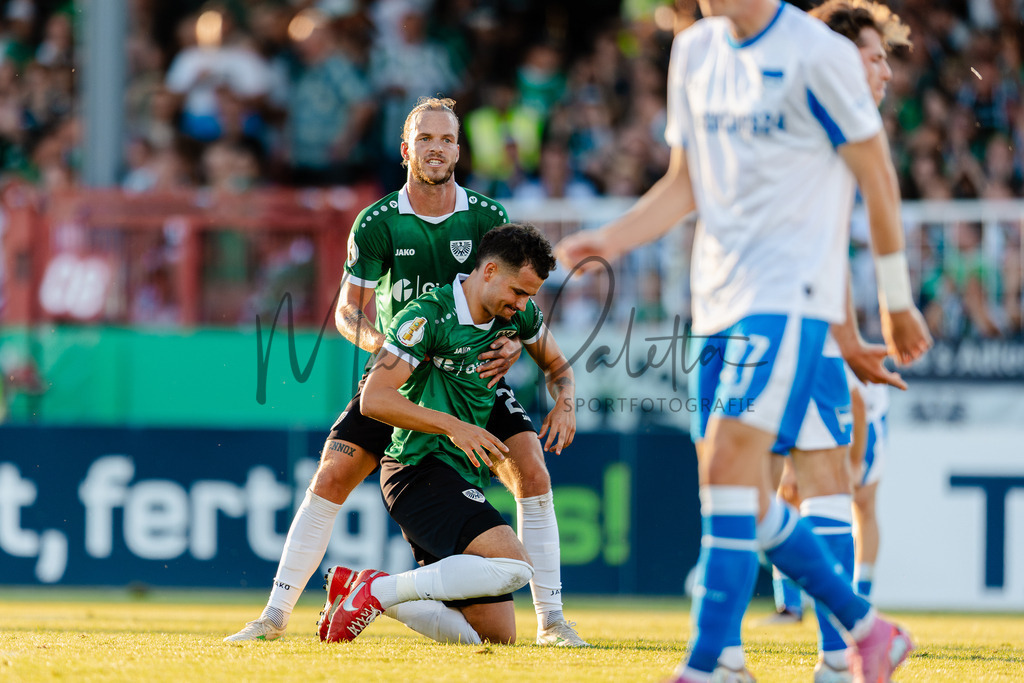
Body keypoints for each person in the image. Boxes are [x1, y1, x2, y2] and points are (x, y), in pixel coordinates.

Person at [555, 0, 932, 680]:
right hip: (715, 302)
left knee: (749, 467)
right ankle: (865, 630)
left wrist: (895, 299)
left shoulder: (816, 53)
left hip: (789, 297)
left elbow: (877, 174)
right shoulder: (695, 50)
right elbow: (686, 183)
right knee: (736, 491)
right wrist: (612, 238)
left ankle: (708, 664)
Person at [226, 97, 588, 647]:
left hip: (472, 376)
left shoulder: (487, 217)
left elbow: (513, 295)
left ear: (459, 151)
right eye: (425, 139)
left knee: (532, 470)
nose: (436, 148)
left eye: (446, 139)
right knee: (332, 474)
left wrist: (515, 342)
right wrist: (391, 348)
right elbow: (347, 312)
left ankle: (552, 622)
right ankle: (273, 617)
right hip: (403, 376)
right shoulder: (378, 222)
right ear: (406, 150)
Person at [751, 3, 913, 681]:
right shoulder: (811, 118)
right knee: (749, 492)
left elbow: (830, 244)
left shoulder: (826, 121)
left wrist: (849, 332)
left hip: (793, 322)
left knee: (801, 488)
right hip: (757, 317)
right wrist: (884, 308)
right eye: (875, 57)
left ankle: (830, 654)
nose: (885, 72)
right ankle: (852, 640)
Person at [321, 223, 575, 644]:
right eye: (518, 292)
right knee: (515, 567)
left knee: (495, 637)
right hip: (417, 471)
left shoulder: (517, 314)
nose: (523, 304)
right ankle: (379, 590)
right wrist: (455, 427)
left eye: (529, 295)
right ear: (489, 271)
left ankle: (363, 589)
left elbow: (557, 365)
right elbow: (374, 399)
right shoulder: (426, 317)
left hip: (459, 476)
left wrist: (565, 401)